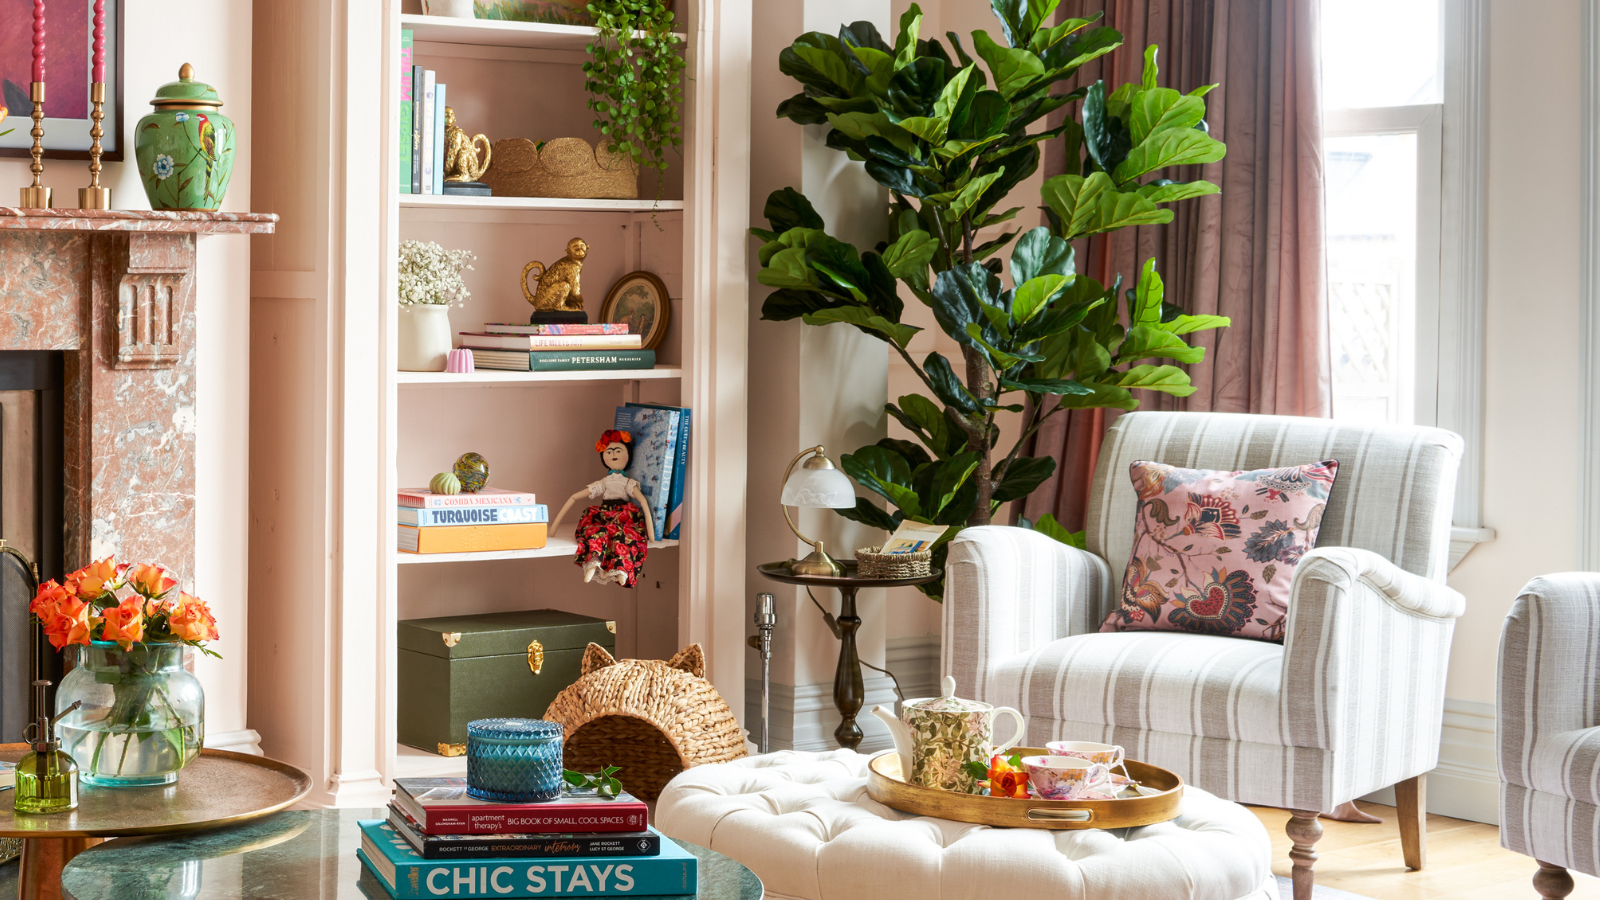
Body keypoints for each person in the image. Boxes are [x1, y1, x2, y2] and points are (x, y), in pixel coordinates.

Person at [549, 429, 653, 587]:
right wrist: (553, 528)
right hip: (603, 514)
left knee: (623, 536)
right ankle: (594, 562)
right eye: (609, 451)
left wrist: (651, 533)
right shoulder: (604, 482)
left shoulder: (627, 483)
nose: (613, 454)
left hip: (624, 515)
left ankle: (621, 568)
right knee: (596, 532)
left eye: (618, 451)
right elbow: (575, 497)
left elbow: (643, 501)